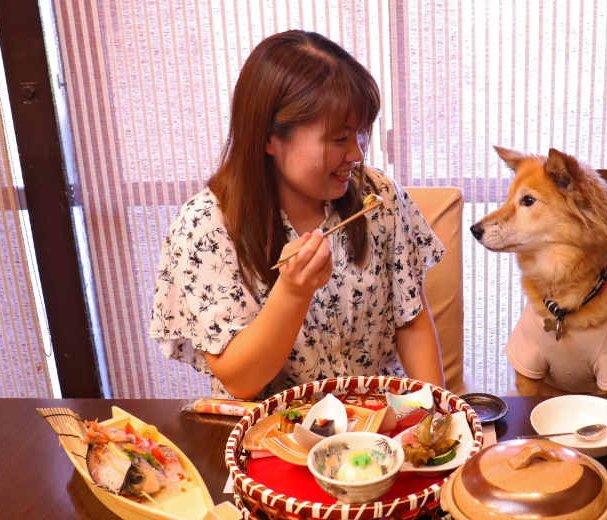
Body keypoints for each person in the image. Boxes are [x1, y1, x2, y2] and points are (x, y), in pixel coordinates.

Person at [149, 30, 445, 400]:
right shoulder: (204, 227)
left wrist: (437, 414)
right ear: (268, 138)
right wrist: (292, 292)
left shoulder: (378, 196)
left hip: (379, 426)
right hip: (272, 439)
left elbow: (410, 319)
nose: (357, 152)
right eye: (339, 138)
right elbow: (239, 381)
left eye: (362, 132)